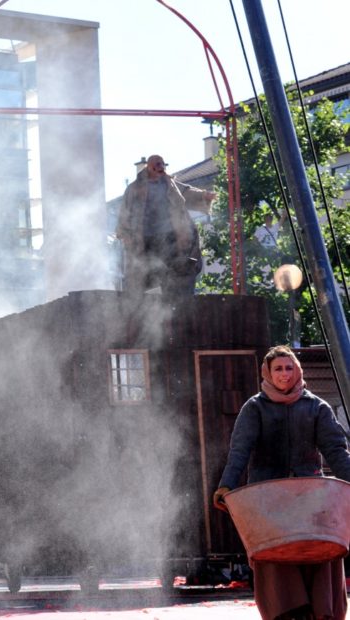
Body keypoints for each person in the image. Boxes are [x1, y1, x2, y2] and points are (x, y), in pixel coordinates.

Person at [213, 345, 350, 620]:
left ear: (297, 371)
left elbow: (336, 450)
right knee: (276, 555)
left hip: (310, 498)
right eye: (278, 369)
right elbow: (239, 451)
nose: (284, 374)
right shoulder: (255, 408)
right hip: (268, 500)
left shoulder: (316, 407)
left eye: (289, 368)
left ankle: (323, 613)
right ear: (267, 373)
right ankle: (288, 614)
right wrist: (226, 485)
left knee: (320, 551)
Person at [116, 154, 215, 304]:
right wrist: (124, 232)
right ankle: (135, 308)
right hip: (145, 239)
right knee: (139, 274)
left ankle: (176, 305)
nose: (161, 167)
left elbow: (186, 192)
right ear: (149, 167)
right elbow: (125, 210)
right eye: (157, 164)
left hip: (170, 237)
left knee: (177, 271)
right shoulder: (135, 188)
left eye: (162, 164)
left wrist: (204, 196)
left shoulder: (170, 184)